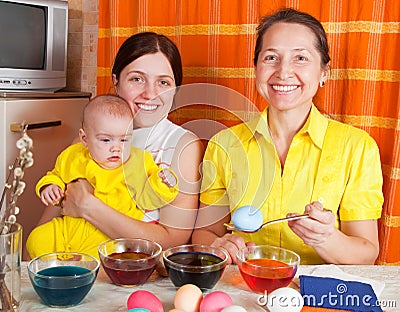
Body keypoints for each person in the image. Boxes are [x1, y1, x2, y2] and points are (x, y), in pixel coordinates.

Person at [192, 8, 384, 265]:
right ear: (256, 68)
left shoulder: (358, 148)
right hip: (242, 288)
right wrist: (219, 245)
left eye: (301, 58)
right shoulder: (223, 145)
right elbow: (206, 233)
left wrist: (325, 237)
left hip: (317, 298)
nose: (283, 72)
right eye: (271, 57)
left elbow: (366, 254)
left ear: (324, 72)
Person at [34, 32, 203, 251]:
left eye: (163, 82)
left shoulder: (184, 146)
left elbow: (171, 241)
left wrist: (88, 206)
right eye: (137, 79)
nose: (150, 93)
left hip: (128, 271)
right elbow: (48, 222)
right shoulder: (86, 139)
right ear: (116, 81)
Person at [26, 94, 179, 259]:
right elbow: (56, 175)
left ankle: (74, 270)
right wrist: (50, 187)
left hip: (106, 237)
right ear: (85, 138)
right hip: (68, 229)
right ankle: (54, 270)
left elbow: (147, 199)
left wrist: (162, 183)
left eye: (124, 140)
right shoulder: (74, 155)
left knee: (99, 260)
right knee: (36, 239)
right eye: (106, 140)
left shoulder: (139, 163)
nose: (116, 148)